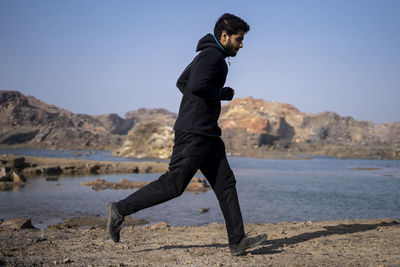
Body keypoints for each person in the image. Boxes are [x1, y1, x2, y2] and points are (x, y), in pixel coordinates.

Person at [107, 13, 267, 256]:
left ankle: (237, 241)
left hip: (208, 134)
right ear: (224, 35)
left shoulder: (206, 55)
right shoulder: (213, 57)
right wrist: (221, 93)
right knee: (174, 185)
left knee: (226, 184)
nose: (241, 44)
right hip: (194, 134)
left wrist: (200, 106)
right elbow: (195, 86)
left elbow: (182, 82)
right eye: (239, 39)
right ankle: (119, 210)